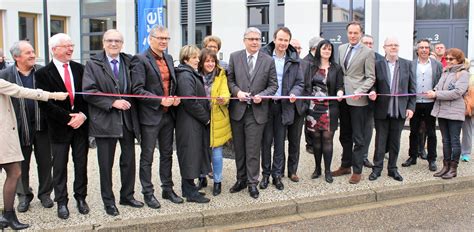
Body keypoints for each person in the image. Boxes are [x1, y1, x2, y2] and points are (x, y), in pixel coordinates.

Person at [82, 29, 143, 216]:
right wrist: (112, 102)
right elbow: (88, 92)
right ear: (103, 43)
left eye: (117, 40)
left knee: (128, 161)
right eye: (109, 40)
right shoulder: (93, 64)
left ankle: (127, 195)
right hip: (105, 121)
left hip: (127, 121)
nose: (113, 44)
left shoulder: (129, 61)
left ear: (122, 43)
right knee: (105, 164)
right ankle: (109, 201)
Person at [36, 33, 90, 220]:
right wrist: (69, 118)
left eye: (71, 45)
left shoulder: (80, 69)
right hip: (59, 127)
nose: (70, 49)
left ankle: (81, 198)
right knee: (59, 167)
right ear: (54, 49)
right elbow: (45, 103)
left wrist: (82, 115)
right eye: (66, 46)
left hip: (81, 126)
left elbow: (87, 96)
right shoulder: (42, 74)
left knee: (81, 164)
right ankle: (62, 202)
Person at [0, 80, 66, 230]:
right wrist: (53, 95)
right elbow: (21, 91)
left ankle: (8, 215)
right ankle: (8, 215)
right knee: (15, 172)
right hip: (2, 138)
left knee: (14, 172)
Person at [130, 25, 183, 208]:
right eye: (160, 38)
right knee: (147, 157)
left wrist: (174, 97)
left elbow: (170, 84)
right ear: (150, 38)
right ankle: (148, 192)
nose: (163, 41)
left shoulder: (168, 58)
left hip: (168, 116)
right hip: (150, 117)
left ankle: (167, 189)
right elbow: (137, 90)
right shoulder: (140, 59)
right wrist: (160, 100)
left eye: (166, 39)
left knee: (167, 154)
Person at [0, 41, 54, 213]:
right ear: (16, 57)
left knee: (45, 161)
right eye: (27, 53)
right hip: (17, 127)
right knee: (21, 164)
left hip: (42, 124)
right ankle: (23, 196)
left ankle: (45, 194)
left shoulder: (43, 71)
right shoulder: (5, 74)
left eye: (33, 51)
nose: (32, 55)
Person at [227, 27, 277, 199]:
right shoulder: (234, 57)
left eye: (257, 39)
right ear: (244, 40)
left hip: (257, 112)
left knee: (253, 149)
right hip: (238, 111)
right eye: (251, 39)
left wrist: (262, 96)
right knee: (239, 149)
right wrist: (237, 92)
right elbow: (230, 80)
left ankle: (252, 183)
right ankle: (240, 179)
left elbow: (273, 86)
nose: (255, 42)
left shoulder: (268, 60)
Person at [260, 27, 303, 190]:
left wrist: (294, 92)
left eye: (286, 40)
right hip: (265, 105)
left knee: (279, 142)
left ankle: (277, 175)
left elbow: (300, 83)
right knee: (266, 142)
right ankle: (265, 174)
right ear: (274, 39)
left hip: (284, 106)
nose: (283, 43)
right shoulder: (263, 55)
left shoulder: (294, 58)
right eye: (280, 39)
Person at [332, 21, 375, 184]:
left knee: (358, 136)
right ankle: (345, 165)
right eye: (350, 32)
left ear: (361, 34)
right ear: (347, 33)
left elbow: (371, 77)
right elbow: (342, 73)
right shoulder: (342, 48)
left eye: (356, 33)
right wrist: (340, 89)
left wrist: (361, 91)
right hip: (344, 99)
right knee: (345, 135)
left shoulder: (368, 52)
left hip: (358, 100)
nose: (352, 35)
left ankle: (357, 170)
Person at [368, 37, 416, 182]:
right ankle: (377, 169)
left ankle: (392, 169)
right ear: (384, 48)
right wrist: (372, 91)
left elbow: (412, 89)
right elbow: (373, 83)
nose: (393, 47)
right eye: (390, 45)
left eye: (396, 45)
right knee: (380, 141)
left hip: (400, 110)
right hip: (382, 109)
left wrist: (411, 107)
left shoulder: (407, 64)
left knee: (395, 141)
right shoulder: (377, 64)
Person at [175, 45, 211, 203]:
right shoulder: (185, 75)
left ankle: (189, 187)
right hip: (189, 122)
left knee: (194, 154)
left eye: (198, 57)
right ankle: (190, 193)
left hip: (193, 122)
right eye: (194, 57)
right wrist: (206, 118)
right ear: (185, 59)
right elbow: (190, 101)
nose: (198, 60)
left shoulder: (190, 73)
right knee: (189, 155)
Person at [427, 48, 469, 179]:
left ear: (459, 60)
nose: (448, 61)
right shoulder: (445, 72)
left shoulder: (463, 74)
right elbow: (438, 87)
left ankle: (453, 168)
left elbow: (457, 92)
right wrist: (433, 91)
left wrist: (436, 94)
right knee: (445, 141)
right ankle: (445, 166)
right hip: (443, 111)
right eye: (447, 59)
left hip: (455, 112)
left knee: (454, 140)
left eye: (452, 59)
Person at [306, 39, 344, 183]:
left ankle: (328, 170)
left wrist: (340, 92)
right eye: (324, 49)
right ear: (319, 50)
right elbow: (306, 86)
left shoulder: (336, 68)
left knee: (327, 139)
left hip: (330, 108)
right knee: (316, 139)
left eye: (329, 49)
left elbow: (340, 85)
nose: (327, 51)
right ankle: (317, 168)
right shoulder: (311, 67)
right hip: (313, 108)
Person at [402, 39, 442, 171]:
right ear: (417, 50)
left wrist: (435, 92)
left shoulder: (437, 65)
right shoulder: (410, 65)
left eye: (426, 47)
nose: (424, 50)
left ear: (429, 49)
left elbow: (440, 82)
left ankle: (432, 159)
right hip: (415, 103)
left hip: (431, 103)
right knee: (413, 132)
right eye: (421, 47)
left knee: (431, 132)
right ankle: (412, 157)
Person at [197, 48, 232, 196]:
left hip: (217, 116)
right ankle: (201, 177)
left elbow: (226, 93)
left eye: (213, 61)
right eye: (207, 61)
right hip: (199, 116)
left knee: (216, 153)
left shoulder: (221, 74)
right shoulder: (195, 74)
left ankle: (217, 181)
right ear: (202, 62)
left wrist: (223, 99)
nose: (210, 64)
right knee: (200, 150)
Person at [286, 38, 312, 182]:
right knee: (279, 143)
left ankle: (292, 171)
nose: (297, 50)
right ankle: (278, 171)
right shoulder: (284, 62)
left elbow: (308, 88)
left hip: (298, 109)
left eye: (299, 47)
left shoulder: (306, 65)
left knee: (295, 141)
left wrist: (304, 106)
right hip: (283, 108)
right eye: (294, 47)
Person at [360, 34, 383, 168]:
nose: (368, 46)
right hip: (355, 99)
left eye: (370, 43)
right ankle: (351, 155)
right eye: (366, 43)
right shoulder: (354, 57)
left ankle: (364, 156)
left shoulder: (379, 58)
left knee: (368, 129)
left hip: (372, 101)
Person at [303, 36, 324, 154]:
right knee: (309, 120)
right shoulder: (307, 62)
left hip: (318, 98)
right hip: (310, 97)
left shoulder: (318, 60)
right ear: (315, 48)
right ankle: (310, 144)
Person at [461, 58, 474, 162]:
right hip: (454, 107)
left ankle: (465, 152)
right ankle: (454, 150)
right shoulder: (453, 75)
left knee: (467, 131)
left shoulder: (471, 77)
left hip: (468, 107)